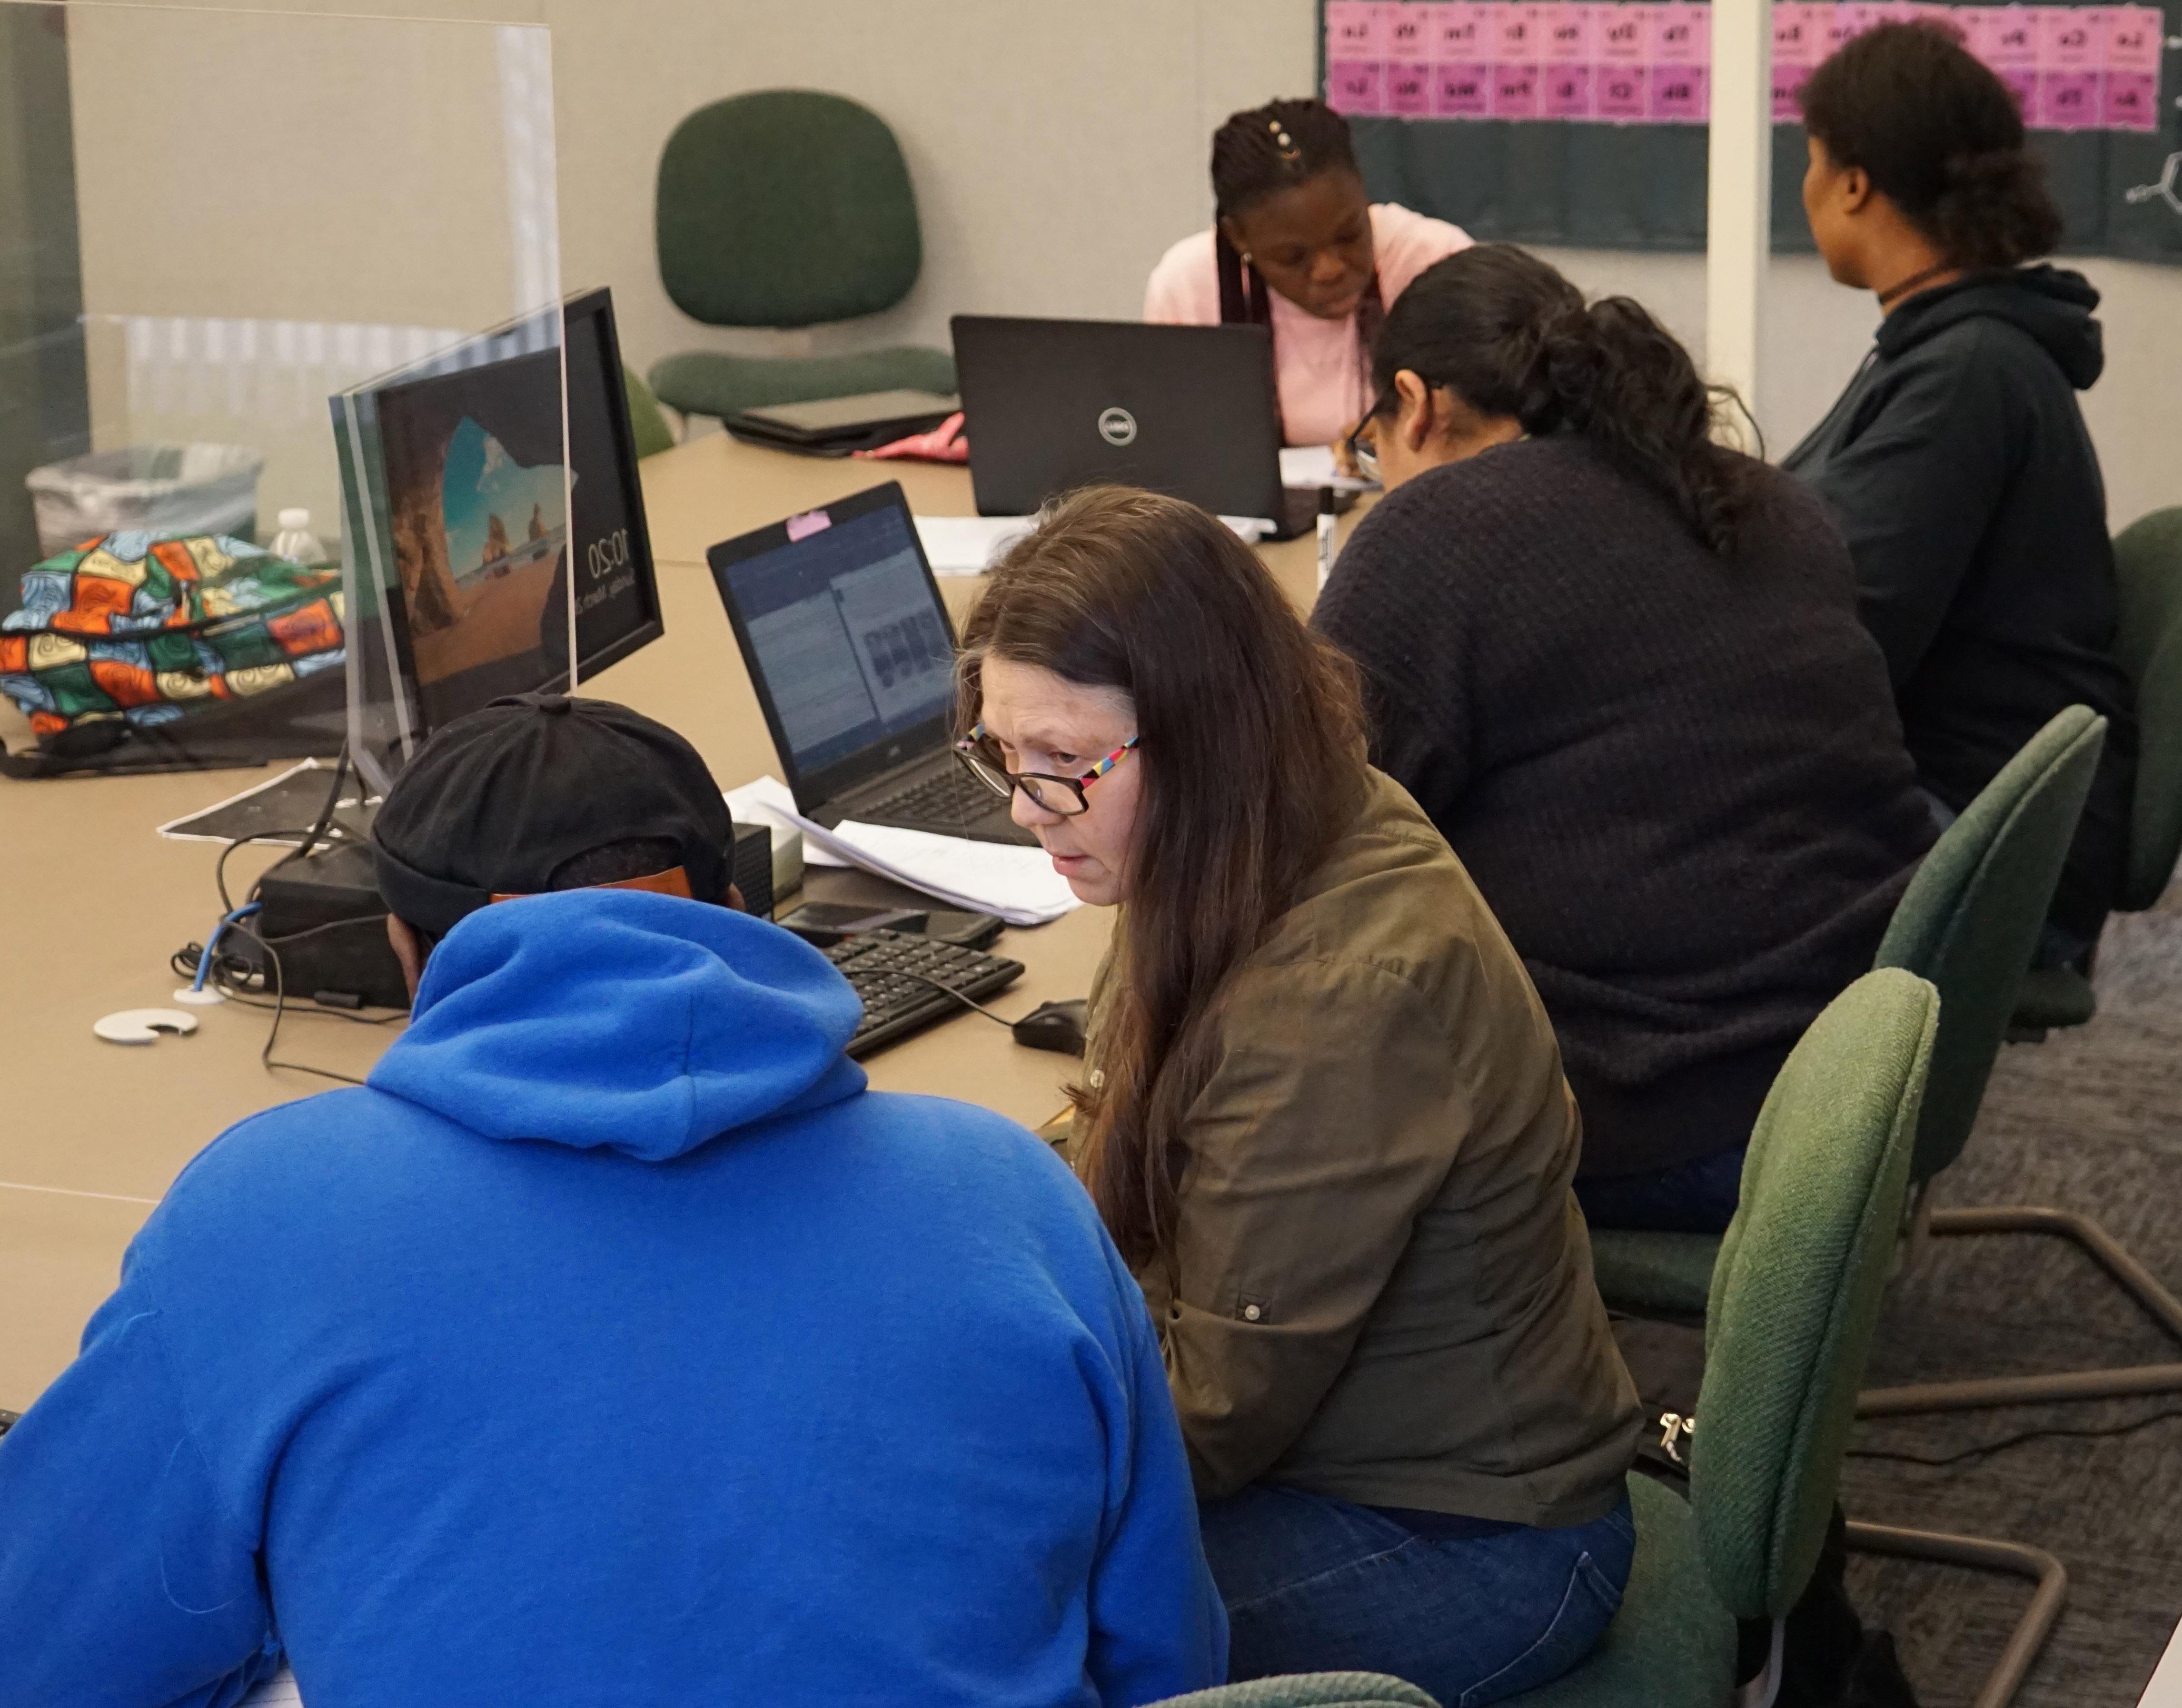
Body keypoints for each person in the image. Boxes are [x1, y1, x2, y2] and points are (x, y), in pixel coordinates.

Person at [0, 693, 1225, 1708]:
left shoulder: (260, 1220)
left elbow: (43, 1651)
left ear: (402, 950)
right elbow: (1168, 1661)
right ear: (740, 909)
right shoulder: (1011, 1194)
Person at [953, 486, 1641, 1704]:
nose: (1024, 805)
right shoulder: (1252, 828)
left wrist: (941, 1402)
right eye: (1001, 753)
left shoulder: (1334, 995)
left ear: (1207, 733)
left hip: (1471, 1543)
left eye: (1062, 764)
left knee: (965, 1618)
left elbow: (1207, 1419)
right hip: (1334, 1454)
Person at [1314, 245, 1934, 1233]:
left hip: (1658, 1111)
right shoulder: (1763, 497)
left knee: (1236, 1095)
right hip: (1864, 1060)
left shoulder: (1434, 533)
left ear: (1413, 403)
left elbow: (1300, 837)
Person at [1786, 18, 2137, 964]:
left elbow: (1843, 631)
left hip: (1981, 836)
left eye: (1811, 159)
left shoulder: (1967, 369)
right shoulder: (1942, 344)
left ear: (1853, 181)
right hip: (1972, 799)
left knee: (1632, 853)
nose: (1806, 182)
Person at [1144, 97, 1471, 449]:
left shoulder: (1438, 263)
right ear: (1238, 238)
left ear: (1363, 193)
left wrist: (1407, 442)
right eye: (1292, 257)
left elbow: (1498, 422)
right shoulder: (1188, 287)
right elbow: (1171, 445)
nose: (1329, 270)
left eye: (1349, 236)